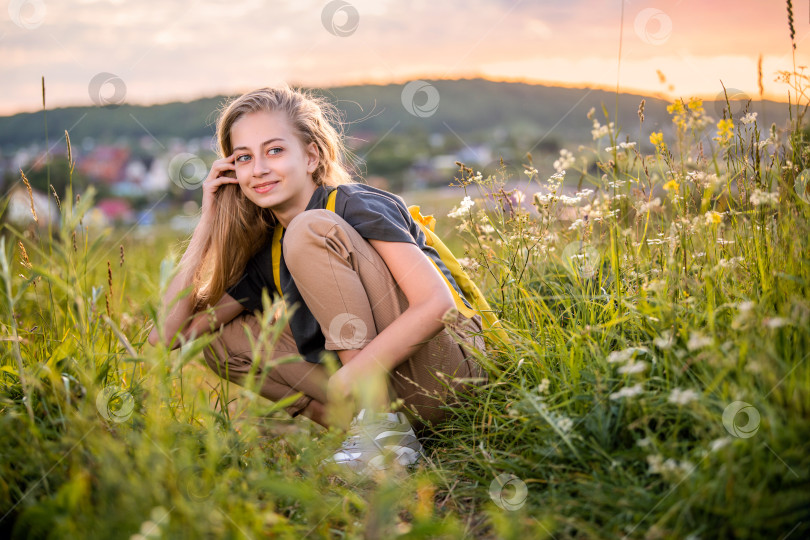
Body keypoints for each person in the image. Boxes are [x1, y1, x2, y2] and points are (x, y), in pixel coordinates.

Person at [147, 84, 488, 474]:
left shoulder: (353, 204)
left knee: (309, 229)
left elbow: (437, 305)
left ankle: (380, 427)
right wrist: (207, 222)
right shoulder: (268, 251)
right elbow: (169, 337)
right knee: (221, 342)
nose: (258, 169)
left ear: (311, 156)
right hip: (401, 398)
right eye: (244, 158)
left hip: (451, 373)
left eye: (274, 150)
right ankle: (383, 433)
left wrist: (346, 382)